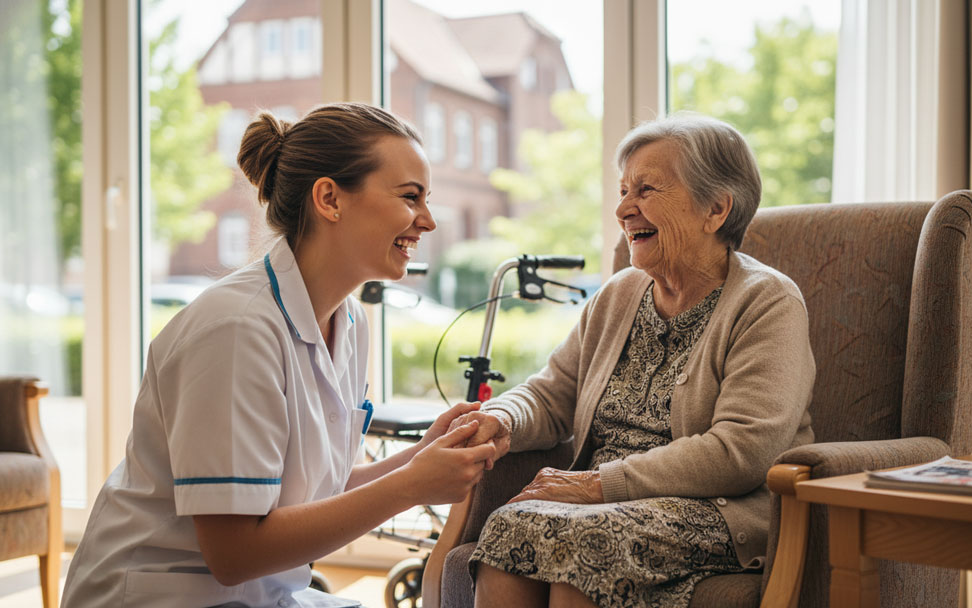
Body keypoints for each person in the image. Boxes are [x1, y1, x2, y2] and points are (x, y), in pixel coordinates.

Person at [61, 102, 496, 608]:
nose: (428, 221)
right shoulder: (236, 329)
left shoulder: (349, 324)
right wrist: (408, 487)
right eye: (409, 197)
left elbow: (306, 491)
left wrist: (416, 463)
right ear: (330, 199)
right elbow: (235, 553)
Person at [453, 114, 816, 608]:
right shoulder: (620, 293)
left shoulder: (767, 302)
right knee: (509, 529)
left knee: (578, 543)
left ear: (715, 208)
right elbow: (553, 392)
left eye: (646, 190)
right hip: (605, 505)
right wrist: (501, 418)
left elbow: (741, 451)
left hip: (714, 508)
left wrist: (599, 486)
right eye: (624, 191)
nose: (624, 209)